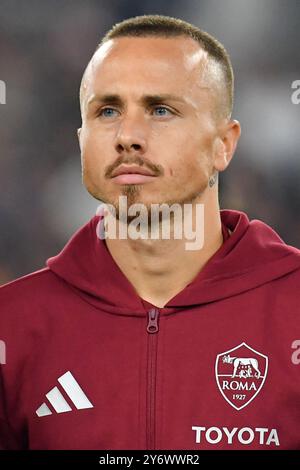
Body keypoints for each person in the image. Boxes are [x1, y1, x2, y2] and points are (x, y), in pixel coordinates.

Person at [0, 14, 299, 451]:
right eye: (107, 110)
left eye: (161, 110)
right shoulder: (13, 324)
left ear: (224, 144)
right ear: (81, 138)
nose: (128, 136)